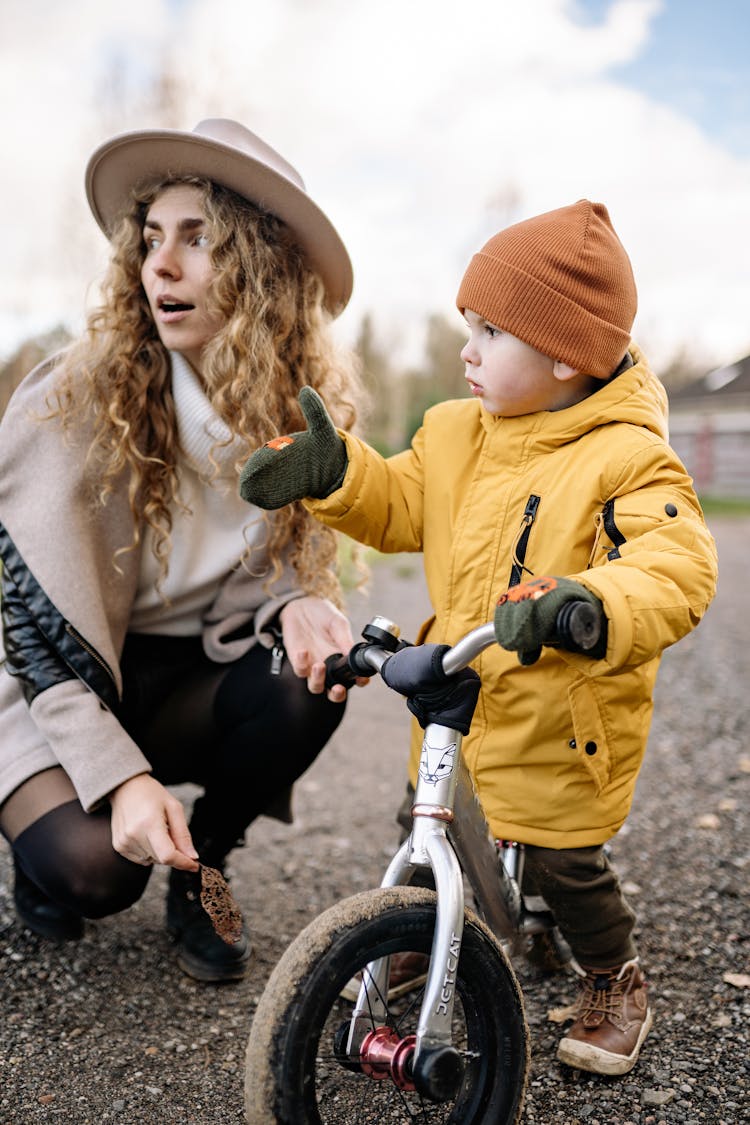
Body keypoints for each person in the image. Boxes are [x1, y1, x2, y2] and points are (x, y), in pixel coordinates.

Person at [238, 199, 718, 1074]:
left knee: (567, 864)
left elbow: (676, 561)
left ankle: (614, 974)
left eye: (491, 330)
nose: (468, 347)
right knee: (424, 828)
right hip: (460, 699)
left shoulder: (626, 457)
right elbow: (404, 503)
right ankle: (419, 935)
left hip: (558, 721)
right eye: (469, 325)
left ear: (567, 354)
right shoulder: (454, 433)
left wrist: (590, 601)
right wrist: (341, 471)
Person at [0, 118, 367, 983]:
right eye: (151, 239)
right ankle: (36, 835)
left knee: (313, 680)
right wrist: (119, 778)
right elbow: (32, 635)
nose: (160, 265)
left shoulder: (289, 407)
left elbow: (275, 572)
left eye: (197, 240)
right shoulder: (71, 401)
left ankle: (204, 863)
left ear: (259, 267)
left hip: (182, 677)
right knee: (93, 872)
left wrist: (302, 599)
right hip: (54, 685)